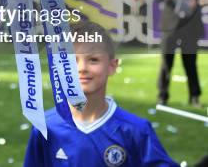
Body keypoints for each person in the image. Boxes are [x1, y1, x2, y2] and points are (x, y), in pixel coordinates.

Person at [24, 21, 177, 166]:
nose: (82, 68)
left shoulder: (136, 130)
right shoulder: (45, 127)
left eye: (93, 60)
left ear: (112, 66)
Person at [157, 0, 207, 107]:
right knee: (166, 63)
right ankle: (162, 96)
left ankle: (194, 97)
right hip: (170, 24)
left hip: (190, 26)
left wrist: (197, 1)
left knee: (190, 63)